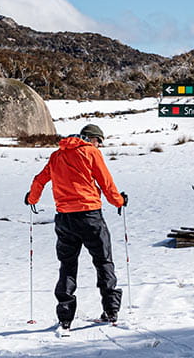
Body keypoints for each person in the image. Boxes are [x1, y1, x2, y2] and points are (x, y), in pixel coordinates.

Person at [25, 124, 128, 329]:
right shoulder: (91, 153)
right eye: (99, 141)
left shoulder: (57, 156)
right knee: (103, 261)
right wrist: (119, 202)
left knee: (68, 265)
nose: (99, 145)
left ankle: (65, 315)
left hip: (65, 218)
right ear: (91, 139)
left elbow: (40, 179)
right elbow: (106, 183)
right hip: (90, 216)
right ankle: (111, 310)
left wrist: (32, 198)